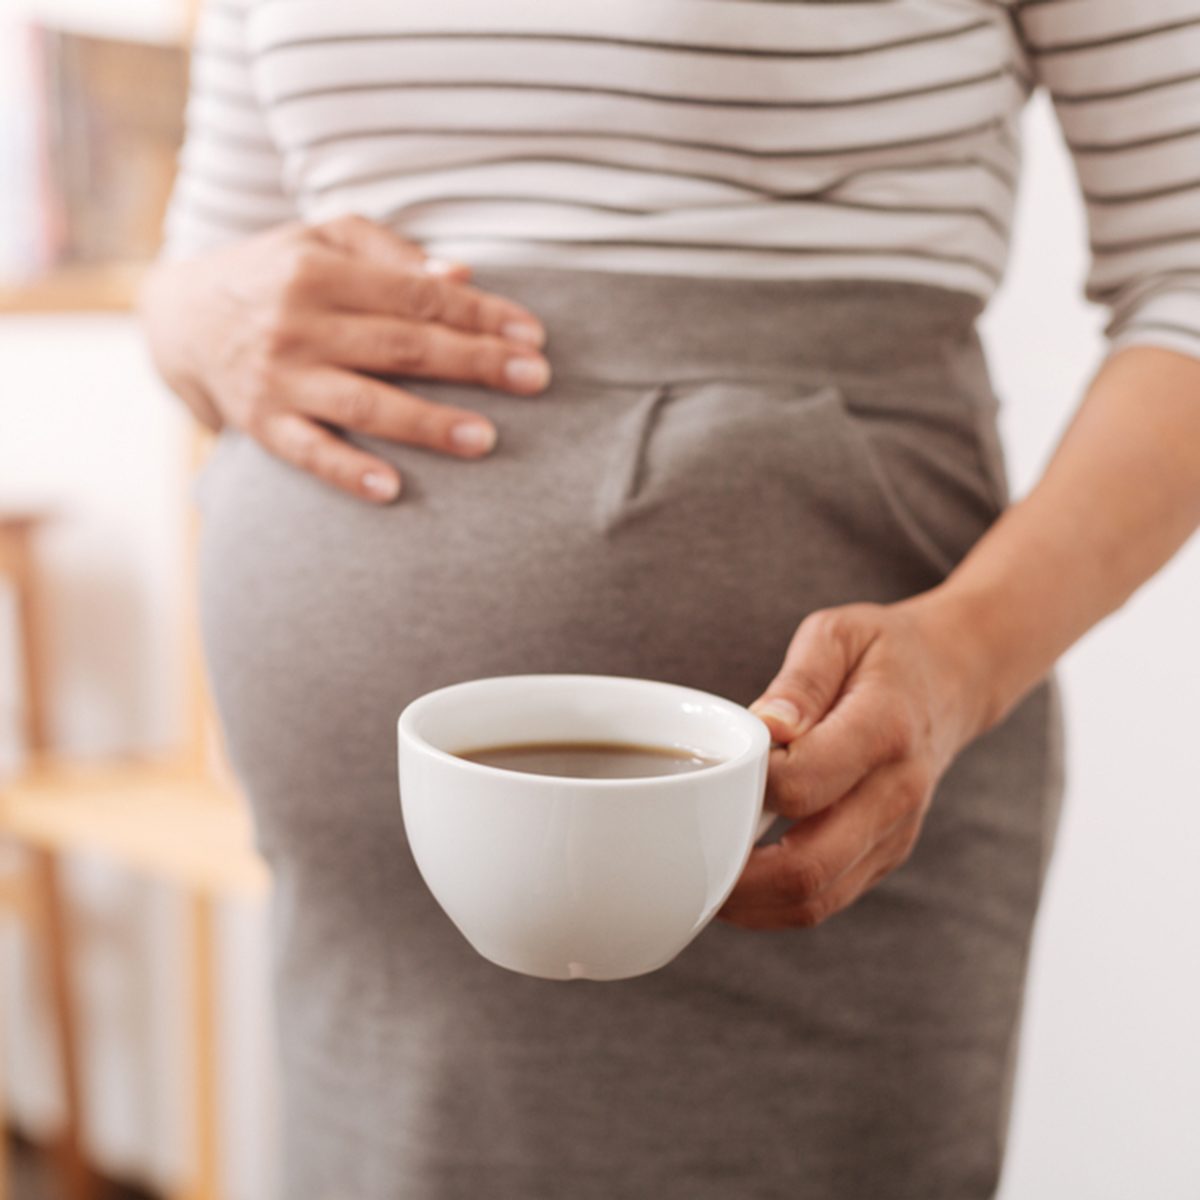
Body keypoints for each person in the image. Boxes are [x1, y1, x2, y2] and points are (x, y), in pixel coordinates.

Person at [139, 2, 1200, 1196]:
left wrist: (963, 663)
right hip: (371, 936)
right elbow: (208, 277)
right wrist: (178, 312)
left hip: (824, 850)